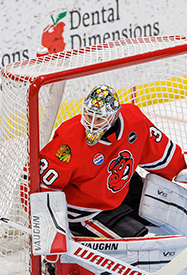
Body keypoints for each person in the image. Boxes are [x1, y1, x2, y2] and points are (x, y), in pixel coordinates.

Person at [39, 85, 187, 239]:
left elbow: (160, 153)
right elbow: (44, 185)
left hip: (119, 189)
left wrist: (181, 168)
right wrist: (52, 231)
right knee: (138, 242)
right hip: (85, 209)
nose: (92, 124)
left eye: (99, 119)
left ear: (114, 116)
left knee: (173, 206)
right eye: (89, 116)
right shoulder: (69, 140)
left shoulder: (134, 120)